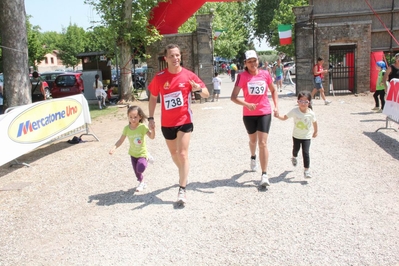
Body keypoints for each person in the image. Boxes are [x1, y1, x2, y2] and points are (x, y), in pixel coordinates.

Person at [147, 43, 210, 204]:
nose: (175, 58)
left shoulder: (188, 75)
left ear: (180, 57)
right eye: (172, 56)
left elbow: (206, 93)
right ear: (166, 58)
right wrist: (151, 118)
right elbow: (153, 97)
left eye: (177, 55)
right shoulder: (160, 77)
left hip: (184, 121)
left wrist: (197, 89)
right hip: (167, 123)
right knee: (174, 155)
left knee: (182, 154)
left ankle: (182, 189)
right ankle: (183, 171)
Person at [230, 50, 279, 187]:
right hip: (249, 114)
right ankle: (253, 156)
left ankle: (264, 174)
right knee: (253, 141)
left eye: (254, 60)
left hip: (264, 111)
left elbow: (274, 90)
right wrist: (247, 104)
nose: (253, 64)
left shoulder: (265, 74)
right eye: (249, 61)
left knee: (262, 143)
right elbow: (233, 97)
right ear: (245, 63)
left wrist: (276, 106)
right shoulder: (242, 76)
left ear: (258, 60)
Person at [109, 105, 155, 192]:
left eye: (135, 117)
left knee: (140, 167)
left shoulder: (142, 127)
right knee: (137, 172)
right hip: (133, 154)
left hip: (142, 153)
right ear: (128, 117)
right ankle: (142, 182)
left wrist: (153, 130)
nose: (133, 119)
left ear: (140, 117)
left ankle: (147, 158)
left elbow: (152, 137)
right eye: (130, 117)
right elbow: (121, 140)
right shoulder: (126, 129)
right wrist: (114, 147)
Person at [274, 91, 318, 179]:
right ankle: (294, 157)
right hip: (296, 136)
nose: (303, 103)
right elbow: (285, 117)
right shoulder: (294, 111)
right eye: (301, 101)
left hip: (306, 137)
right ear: (297, 101)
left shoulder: (311, 113)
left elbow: (315, 122)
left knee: (306, 152)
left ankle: (306, 170)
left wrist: (315, 131)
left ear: (309, 102)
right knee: (296, 149)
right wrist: (278, 116)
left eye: (306, 101)